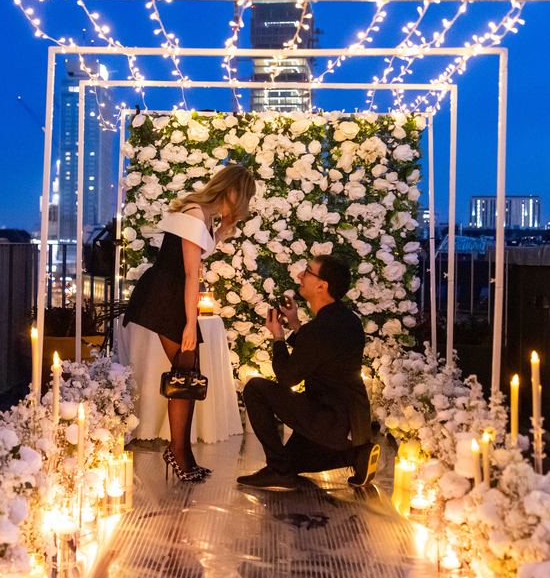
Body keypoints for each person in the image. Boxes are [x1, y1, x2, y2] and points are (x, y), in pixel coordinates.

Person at [122, 164, 256, 482]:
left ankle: (181, 452)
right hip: (165, 294)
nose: (245, 204)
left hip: (170, 292)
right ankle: (178, 453)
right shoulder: (195, 214)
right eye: (244, 197)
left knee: (187, 374)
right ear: (232, 191)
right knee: (185, 373)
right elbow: (191, 274)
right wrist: (188, 325)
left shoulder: (203, 215)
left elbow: (198, 256)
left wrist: (223, 229)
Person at [237, 254, 380, 491]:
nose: (299, 275)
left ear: (322, 286)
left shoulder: (320, 328)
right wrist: (294, 323)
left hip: (328, 420)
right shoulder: (347, 320)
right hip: (352, 422)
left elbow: (287, 378)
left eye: (307, 271)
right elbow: (318, 351)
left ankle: (278, 470)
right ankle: (357, 456)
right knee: (293, 461)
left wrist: (278, 337)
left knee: (255, 389)